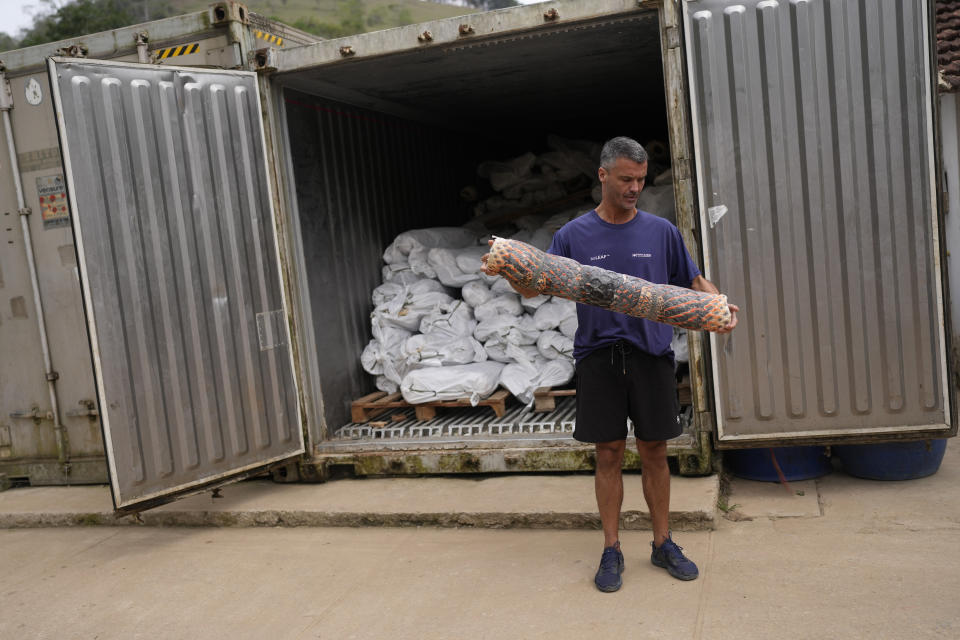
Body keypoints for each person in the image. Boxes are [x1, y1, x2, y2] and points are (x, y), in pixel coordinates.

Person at [485, 136, 738, 593]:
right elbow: (539, 285)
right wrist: (510, 270)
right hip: (599, 357)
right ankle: (611, 548)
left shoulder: (660, 231)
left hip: (651, 355)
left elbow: (692, 279)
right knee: (608, 454)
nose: (634, 188)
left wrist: (716, 306)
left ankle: (663, 543)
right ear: (603, 175)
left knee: (656, 451)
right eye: (626, 179)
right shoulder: (574, 235)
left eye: (640, 180)